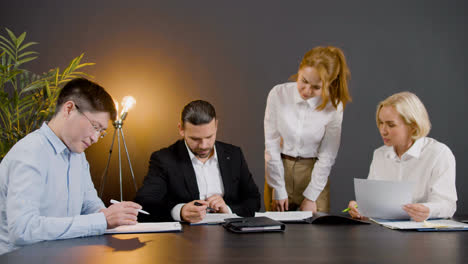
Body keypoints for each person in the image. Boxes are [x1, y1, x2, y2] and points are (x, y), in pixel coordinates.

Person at [0, 78, 142, 255]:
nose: (95, 138)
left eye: (101, 132)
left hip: (63, 255)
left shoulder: (78, 156)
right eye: (95, 127)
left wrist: (112, 214)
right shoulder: (30, 153)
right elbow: (23, 230)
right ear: (69, 109)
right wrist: (102, 220)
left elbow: (89, 203)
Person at [135, 100, 261, 223]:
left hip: (231, 235)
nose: (203, 145)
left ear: (216, 126)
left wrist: (228, 210)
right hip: (185, 238)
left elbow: (254, 200)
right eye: (195, 139)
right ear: (181, 129)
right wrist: (180, 211)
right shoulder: (164, 159)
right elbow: (145, 204)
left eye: (209, 137)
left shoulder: (234, 154)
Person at [264, 46, 351, 212]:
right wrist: (279, 188)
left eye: (316, 87)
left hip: (314, 176)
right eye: (303, 81)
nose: (307, 91)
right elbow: (271, 144)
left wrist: (312, 196)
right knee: (275, 233)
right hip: (279, 171)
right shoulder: (278, 94)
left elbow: (328, 154)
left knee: (316, 235)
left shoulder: (334, 106)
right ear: (299, 70)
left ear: (329, 84)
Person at [347, 92, 457, 222]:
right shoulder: (380, 154)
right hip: (384, 233)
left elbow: (448, 205)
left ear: (413, 126)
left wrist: (427, 210)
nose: (383, 130)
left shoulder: (438, 153)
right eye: (381, 123)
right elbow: (372, 202)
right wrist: (359, 207)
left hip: (423, 234)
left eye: (391, 125)